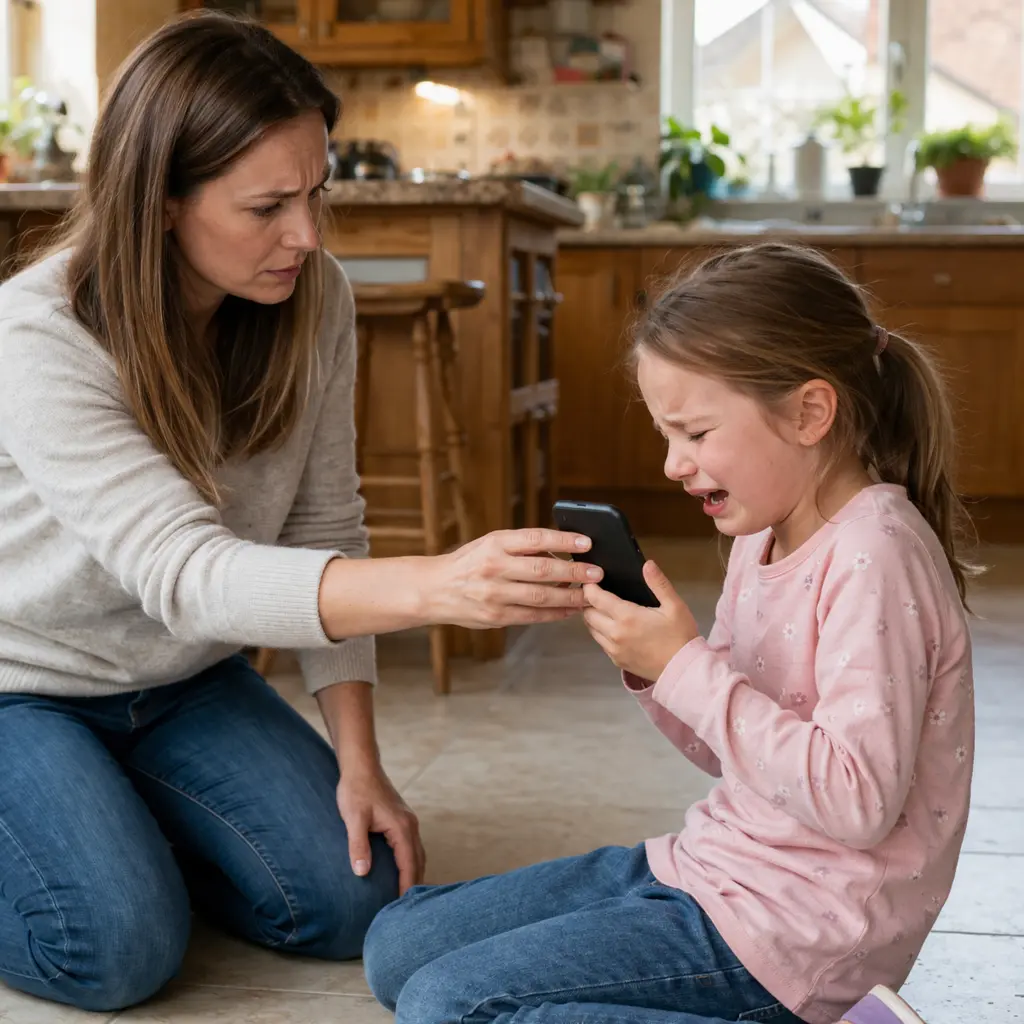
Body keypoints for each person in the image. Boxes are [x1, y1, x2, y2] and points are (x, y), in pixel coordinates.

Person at [0, 12, 601, 1014]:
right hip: (22, 680)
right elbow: (186, 572)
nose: (308, 236)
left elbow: (324, 524)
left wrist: (360, 763)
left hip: (182, 680)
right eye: (267, 205)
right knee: (108, 951)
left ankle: (114, 820)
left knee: (354, 899)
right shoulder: (38, 333)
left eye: (316, 191)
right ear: (158, 201)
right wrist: (439, 583)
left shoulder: (311, 299)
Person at [362, 242, 976, 1024]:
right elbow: (732, 753)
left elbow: (856, 802)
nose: (671, 465)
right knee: (399, 945)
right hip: (706, 869)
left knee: (447, 1002)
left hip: (801, 936)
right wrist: (654, 669)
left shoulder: (875, 553)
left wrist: (688, 667)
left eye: (693, 433)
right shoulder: (761, 532)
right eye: (665, 434)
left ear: (809, 413)